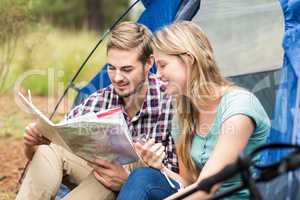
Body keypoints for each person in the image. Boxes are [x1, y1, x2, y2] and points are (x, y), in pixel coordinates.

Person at [16, 21, 178, 200]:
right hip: (101, 175)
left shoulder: (170, 102)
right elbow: (40, 154)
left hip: (146, 187)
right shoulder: (98, 101)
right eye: (111, 68)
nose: (117, 78)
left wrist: (129, 181)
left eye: (126, 69)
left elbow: (181, 182)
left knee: (112, 172)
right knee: (51, 149)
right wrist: (32, 145)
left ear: (148, 63)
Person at [117, 21, 271, 200]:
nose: (157, 75)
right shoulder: (183, 114)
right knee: (144, 176)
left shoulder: (239, 107)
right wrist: (161, 168)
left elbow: (207, 188)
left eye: (163, 65)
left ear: (189, 60)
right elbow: (189, 183)